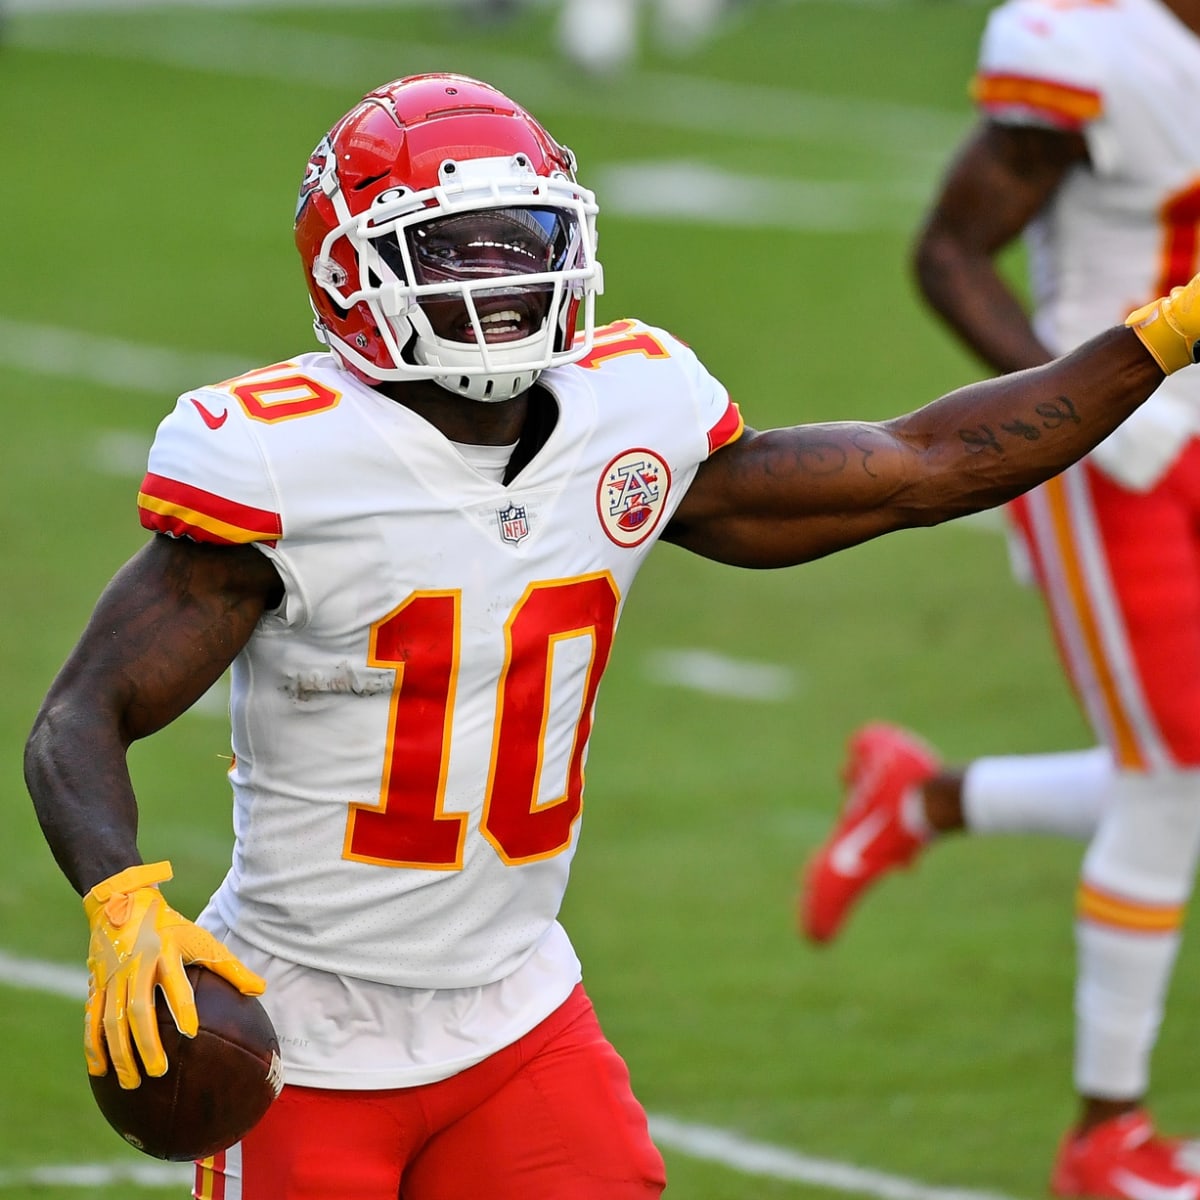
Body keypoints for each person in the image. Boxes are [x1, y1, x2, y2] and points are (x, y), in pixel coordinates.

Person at [22, 70, 1200, 1200]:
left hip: (519, 1010)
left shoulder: (623, 418)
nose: (503, 277)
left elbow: (922, 467)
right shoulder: (287, 464)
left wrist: (1160, 336)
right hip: (305, 1027)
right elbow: (83, 714)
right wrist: (122, 900)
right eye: (454, 249)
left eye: (523, 237)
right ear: (351, 269)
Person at [799, 2, 1200, 1197]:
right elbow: (949, 252)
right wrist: (1075, 410)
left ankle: (918, 802)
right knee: (1177, 765)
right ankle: (1105, 1137)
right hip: (1115, 455)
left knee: (1175, 769)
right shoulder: (1089, 47)